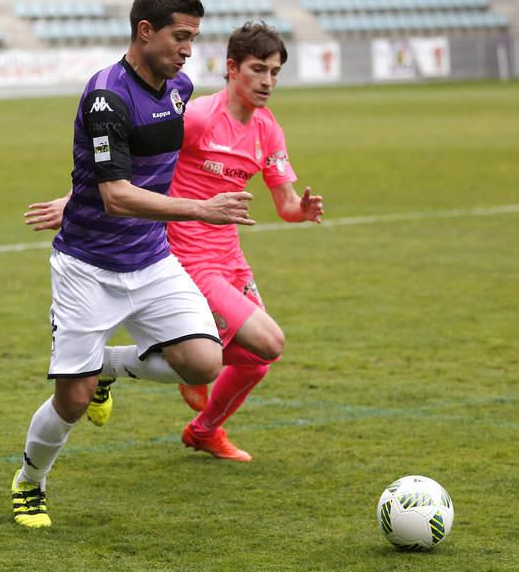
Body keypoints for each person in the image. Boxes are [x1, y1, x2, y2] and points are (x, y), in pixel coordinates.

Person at [11, 0, 255, 529]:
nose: (189, 49)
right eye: (180, 36)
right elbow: (117, 195)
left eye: (194, 38)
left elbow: (138, 169)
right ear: (145, 32)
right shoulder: (106, 97)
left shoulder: (179, 87)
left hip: (150, 259)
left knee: (203, 360)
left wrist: (71, 193)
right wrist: (202, 210)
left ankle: (107, 368)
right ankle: (30, 482)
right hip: (87, 267)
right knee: (71, 403)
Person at [26, 23, 323, 463]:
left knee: (257, 361)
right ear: (231, 69)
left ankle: (203, 430)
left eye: (275, 72)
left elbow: (285, 204)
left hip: (230, 257)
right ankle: (134, 363)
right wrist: (72, 199)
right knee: (268, 341)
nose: (267, 81)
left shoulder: (268, 130)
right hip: (185, 255)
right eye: (259, 69)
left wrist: (303, 211)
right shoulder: (200, 116)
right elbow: (135, 164)